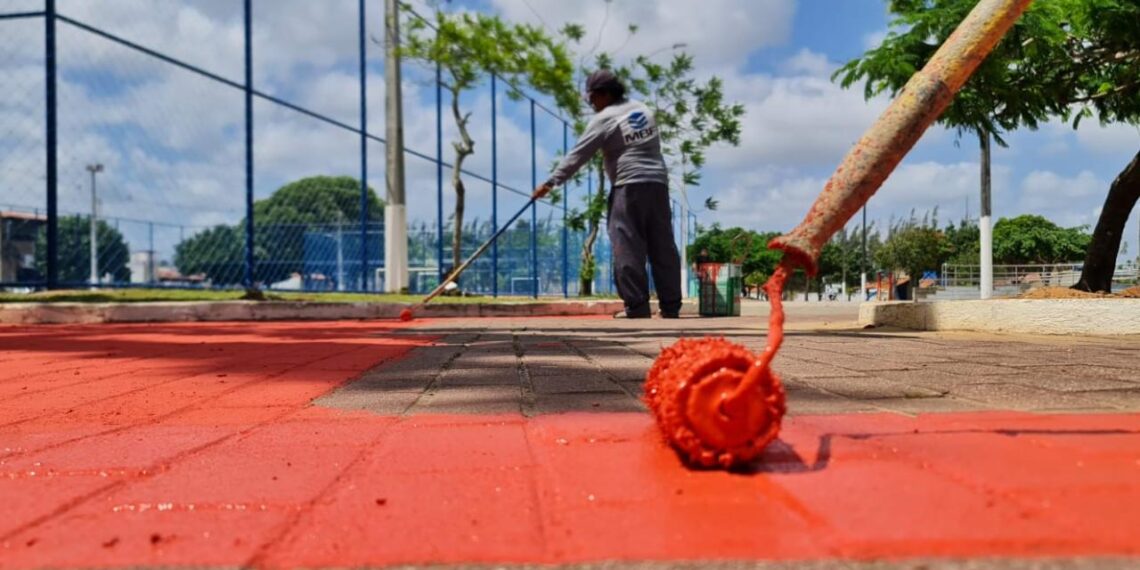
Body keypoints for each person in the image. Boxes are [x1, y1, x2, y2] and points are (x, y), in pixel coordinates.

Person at [532, 70, 681, 319]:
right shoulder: (643, 109)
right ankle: (671, 306)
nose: (592, 105)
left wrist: (550, 182)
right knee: (662, 245)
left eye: (592, 99)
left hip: (628, 186)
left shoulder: (606, 118)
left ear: (604, 94)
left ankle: (637, 306)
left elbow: (578, 155)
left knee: (627, 245)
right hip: (658, 184)